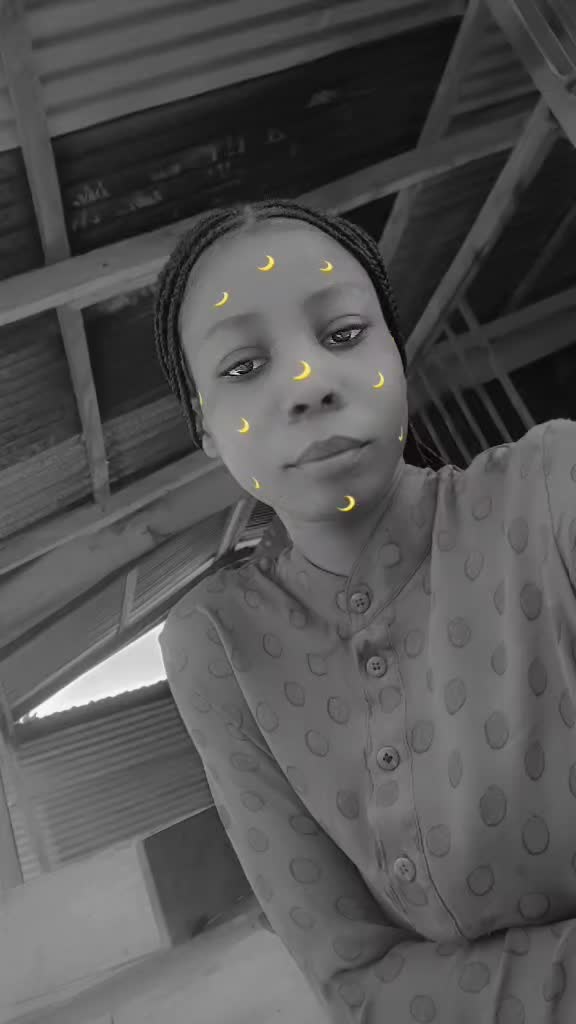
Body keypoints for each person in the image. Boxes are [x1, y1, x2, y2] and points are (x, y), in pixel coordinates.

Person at [154, 198, 576, 1022]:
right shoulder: (218, 645)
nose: (309, 385)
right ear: (205, 427)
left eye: (344, 334)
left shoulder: (552, 488)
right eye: (243, 367)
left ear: (395, 356)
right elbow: (353, 983)